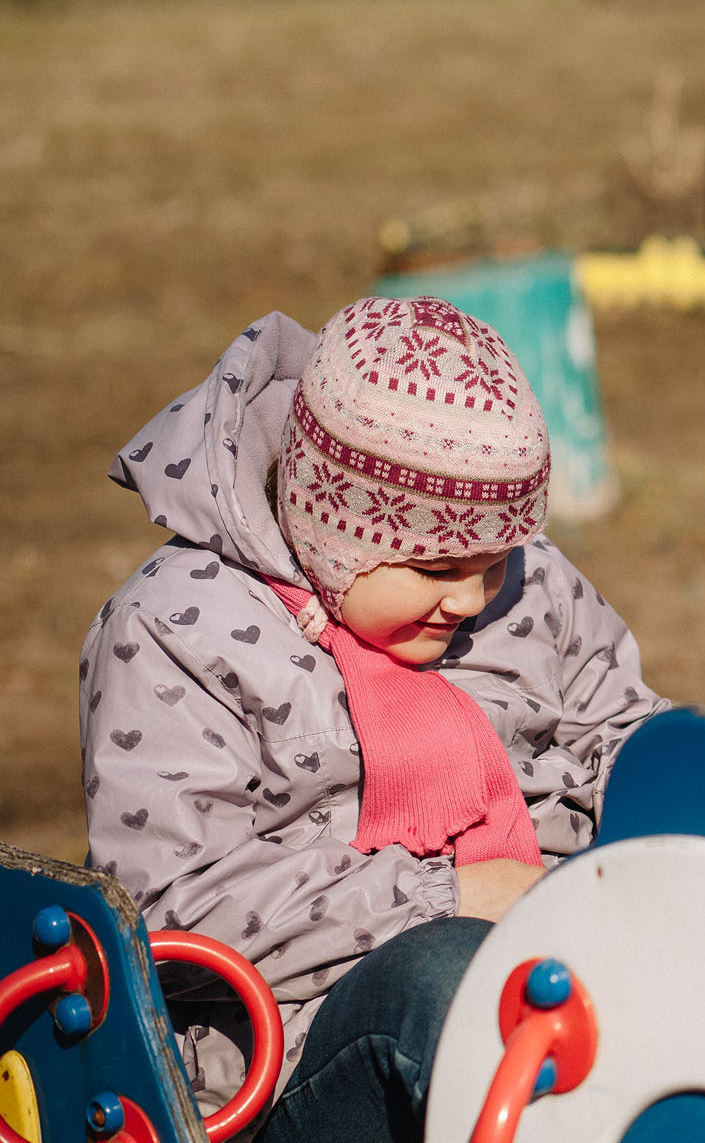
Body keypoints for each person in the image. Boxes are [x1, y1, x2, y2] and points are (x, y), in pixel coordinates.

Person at [80, 296, 666, 1140]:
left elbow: (622, 740)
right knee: (451, 977)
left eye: (495, 559)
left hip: (567, 970)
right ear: (330, 528)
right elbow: (169, 905)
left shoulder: (529, 588)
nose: (469, 597)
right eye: (435, 565)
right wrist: (447, 897)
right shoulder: (178, 631)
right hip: (291, 1062)